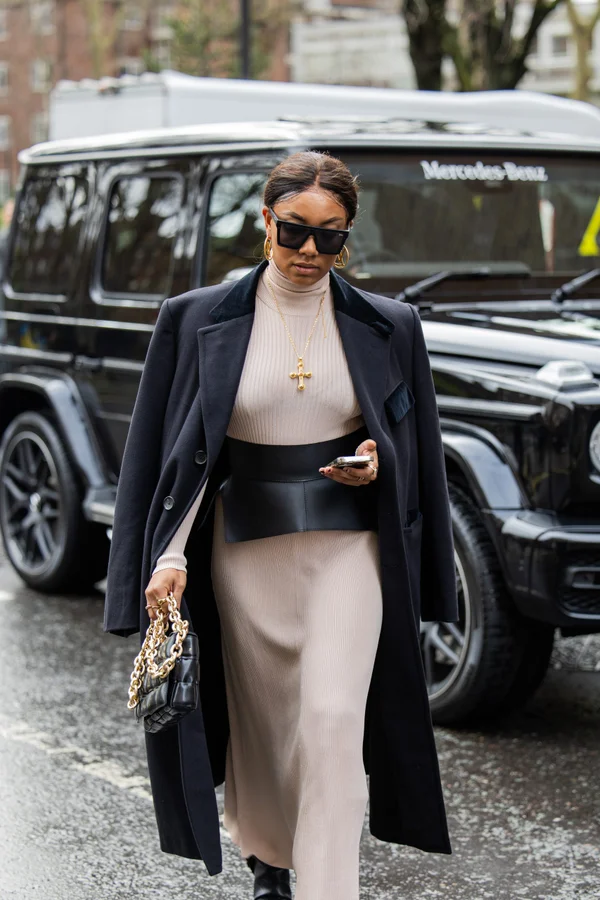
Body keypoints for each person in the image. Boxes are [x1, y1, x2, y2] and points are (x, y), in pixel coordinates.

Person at [104, 151, 458, 900]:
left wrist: (374, 462)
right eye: (295, 231)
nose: (309, 252)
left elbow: (412, 444)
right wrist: (165, 556)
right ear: (265, 221)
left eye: (329, 238)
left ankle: (328, 887)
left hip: (347, 550)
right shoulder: (197, 318)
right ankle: (272, 858)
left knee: (330, 721)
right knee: (266, 731)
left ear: (348, 237)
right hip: (242, 550)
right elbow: (172, 453)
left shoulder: (388, 325)